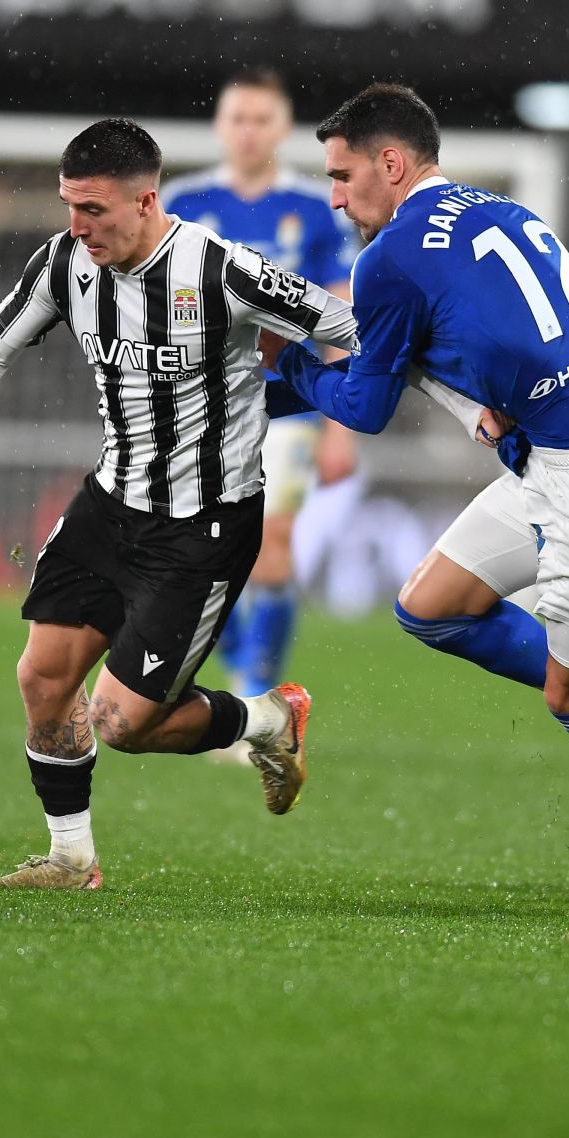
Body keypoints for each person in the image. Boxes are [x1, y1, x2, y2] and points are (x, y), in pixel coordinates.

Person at [271, 83, 569, 915]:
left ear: (392, 164)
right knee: (431, 606)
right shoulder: (499, 212)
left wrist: (283, 370)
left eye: (342, 175)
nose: (335, 197)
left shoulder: (392, 256)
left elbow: (366, 405)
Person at [0, 118, 358, 891]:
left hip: (204, 527)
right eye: (70, 206)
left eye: (95, 210)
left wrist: (471, 394)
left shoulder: (223, 269)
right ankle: (72, 860)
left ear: (146, 200)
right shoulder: (65, 263)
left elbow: (354, 329)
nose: (78, 226)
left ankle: (268, 720)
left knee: (122, 724)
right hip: (111, 504)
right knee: (42, 679)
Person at [160, 68, 360, 709]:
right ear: (221, 125)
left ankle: (257, 691)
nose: (248, 131)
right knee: (202, 551)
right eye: (237, 118)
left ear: (282, 127)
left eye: (261, 119)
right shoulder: (181, 206)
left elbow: (341, 316)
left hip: (286, 401)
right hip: (195, 403)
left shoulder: (314, 209)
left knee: (271, 542)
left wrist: (341, 425)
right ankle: (239, 673)